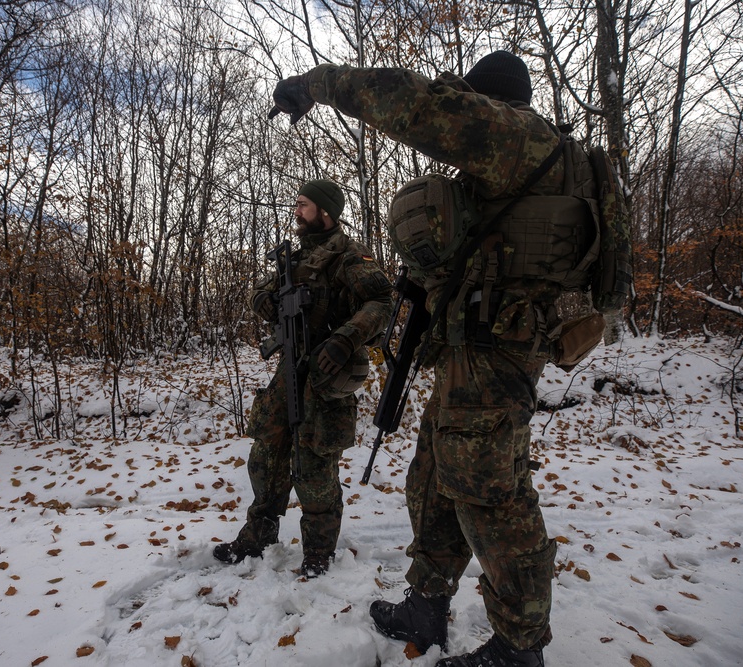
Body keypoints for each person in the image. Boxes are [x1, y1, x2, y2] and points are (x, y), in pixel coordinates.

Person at [269, 51, 598, 666]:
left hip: (495, 346)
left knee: (492, 495)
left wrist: (318, 84)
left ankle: (519, 646)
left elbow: (413, 102)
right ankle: (426, 600)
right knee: (435, 477)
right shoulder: (537, 164)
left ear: (490, 101)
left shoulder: (514, 135)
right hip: (475, 344)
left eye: (471, 103)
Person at [213, 179, 393, 579]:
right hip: (289, 367)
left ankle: (317, 552)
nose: (296, 211)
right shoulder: (293, 257)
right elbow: (262, 290)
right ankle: (257, 536)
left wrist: (346, 338)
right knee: (266, 453)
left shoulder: (351, 255)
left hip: (327, 371)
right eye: (297, 203)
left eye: (304, 204)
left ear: (325, 212)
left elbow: (382, 302)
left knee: (313, 463)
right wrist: (268, 300)